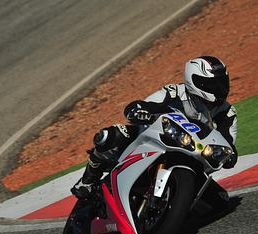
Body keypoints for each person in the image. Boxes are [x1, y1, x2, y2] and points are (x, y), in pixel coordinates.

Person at [71, 55, 238, 200]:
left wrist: (228, 155)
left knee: (221, 202)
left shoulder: (227, 112)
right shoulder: (174, 92)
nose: (219, 89)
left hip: (193, 155)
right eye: (212, 85)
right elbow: (144, 105)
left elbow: (228, 145)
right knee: (109, 136)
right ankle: (87, 180)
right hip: (154, 140)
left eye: (222, 83)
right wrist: (140, 112)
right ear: (194, 81)